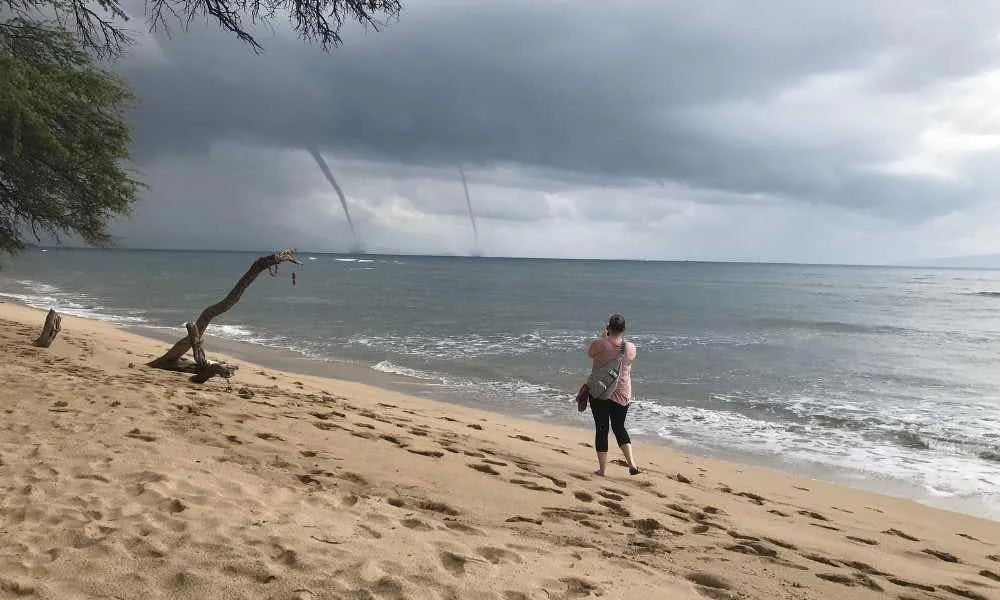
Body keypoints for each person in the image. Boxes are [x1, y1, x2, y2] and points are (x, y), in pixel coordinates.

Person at [587, 313, 639, 476]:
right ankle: (632, 464)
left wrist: (603, 337)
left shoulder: (600, 343)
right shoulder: (630, 347)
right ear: (624, 329)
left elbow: (590, 354)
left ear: (608, 328)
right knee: (619, 427)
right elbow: (628, 362)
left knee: (602, 428)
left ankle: (602, 470)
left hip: (601, 390)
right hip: (622, 392)